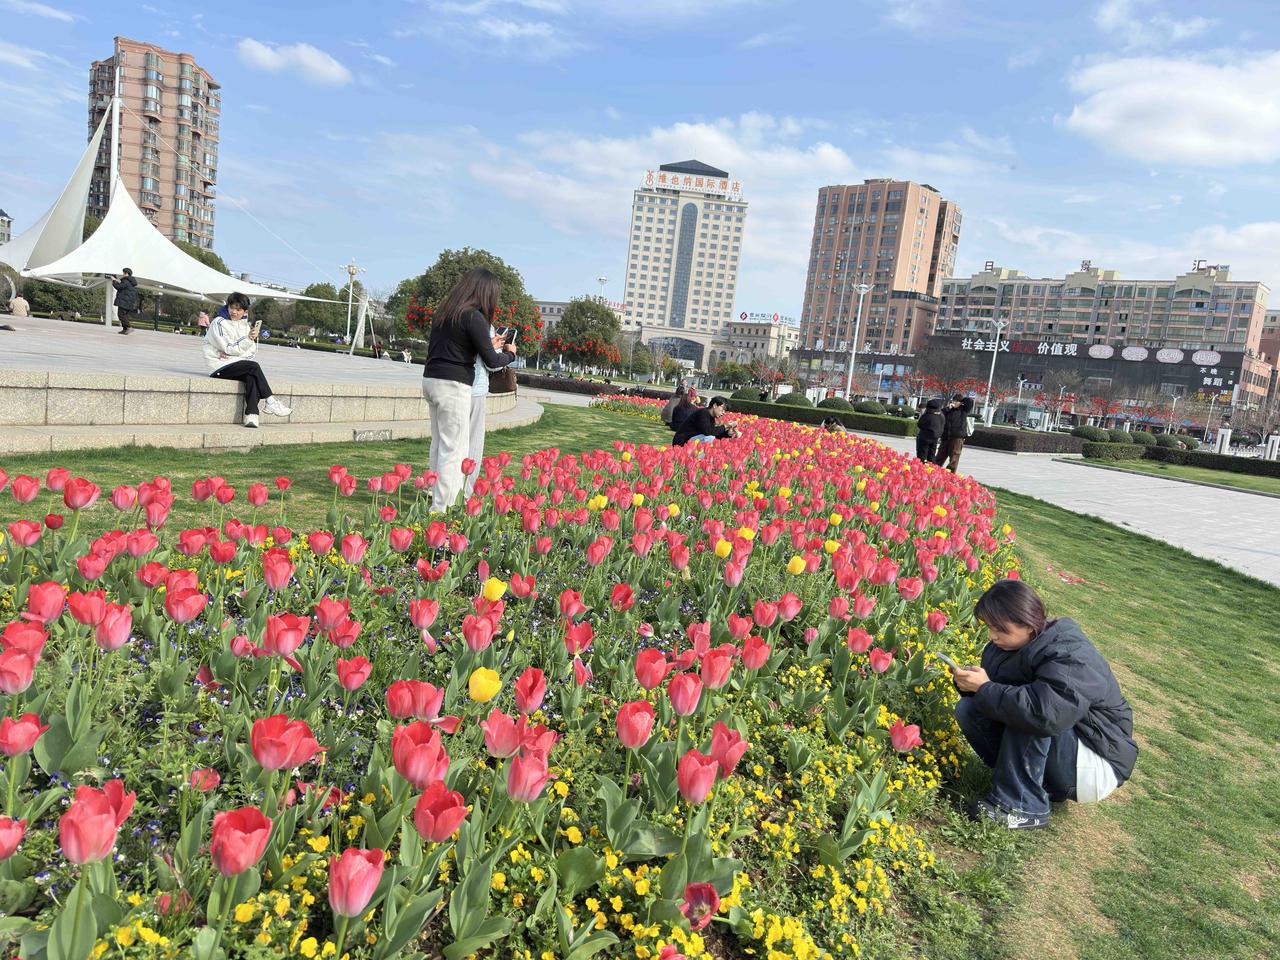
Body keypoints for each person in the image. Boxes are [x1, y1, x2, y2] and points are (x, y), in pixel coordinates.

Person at [951, 579, 1137, 830]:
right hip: (1068, 747)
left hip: (1096, 763)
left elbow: (1045, 714)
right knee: (970, 710)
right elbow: (999, 696)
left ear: (1028, 625)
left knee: (1029, 710)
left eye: (1000, 629)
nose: (992, 636)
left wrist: (986, 689)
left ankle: (1023, 806)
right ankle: (1032, 787)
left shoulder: (1071, 654)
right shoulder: (1011, 646)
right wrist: (972, 686)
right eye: (989, 627)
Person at [422, 267, 516, 511]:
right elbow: (493, 362)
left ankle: (435, 495)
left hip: (432, 380)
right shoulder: (474, 316)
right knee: (455, 450)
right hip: (454, 385)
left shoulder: (446, 313)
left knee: (440, 444)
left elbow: (460, 346)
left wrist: (488, 344)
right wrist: (510, 355)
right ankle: (443, 509)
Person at [203, 292, 292, 429]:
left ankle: (252, 415)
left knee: (251, 375)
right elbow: (228, 347)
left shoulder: (244, 325)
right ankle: (270, 401)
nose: (234, 312)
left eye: (238, 309)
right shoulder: (218, 322)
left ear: (244, 311)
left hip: (233, 363)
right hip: (218, 366)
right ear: (227, 307)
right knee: (254, 367)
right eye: (232, 308)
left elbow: (250, 352)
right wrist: (247, 340)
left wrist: (246, 343)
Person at [463, 325, 508, 499]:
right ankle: (466, 492)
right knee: (473, 443)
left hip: (453, 388)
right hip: (475, 389)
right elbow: (493, 364)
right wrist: (506, 352)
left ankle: (439, 484)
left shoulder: (452, 316)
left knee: (449, 441)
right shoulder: (483, 325)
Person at [673, 396, 738, 446]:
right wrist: (725, 426)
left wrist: (728, 434)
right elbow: (708, 432)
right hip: (682, 441)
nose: (723, 412)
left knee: (710, 438)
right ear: (715, 405)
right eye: (723, 409)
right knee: (709, 438)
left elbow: (713, 433)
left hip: (690, 440)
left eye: (725, 411)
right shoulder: (703, 413)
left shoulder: (711, 417)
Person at [935, 393, 975, 472]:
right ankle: (935, 473)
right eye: (954, 400)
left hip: (957, 438)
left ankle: (949, 475)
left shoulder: (963, 410)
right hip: (946, 437)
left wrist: (961, 401)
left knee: (954, 458)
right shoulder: (948, 410)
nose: (954, 402)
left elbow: (970, 401)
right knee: (939, 457)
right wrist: (948, 408)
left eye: (957, 401)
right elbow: (940, 414)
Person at [111, 267, 140, 335]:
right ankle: (125, 329)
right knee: (124, 315)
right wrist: (116, 280)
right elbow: (122, 286)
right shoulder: (130, 282)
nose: (123, 274)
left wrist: (113, 280)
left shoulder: (126, 281)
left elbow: (118, 287)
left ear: (126, 273)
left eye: (123, 273)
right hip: (128, 302)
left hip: (124, 302)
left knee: (121, 315)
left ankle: (129, 327)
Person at [916, 398, 945, 462]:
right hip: (935, 439)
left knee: (922, 456)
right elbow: (942, 426)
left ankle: (922, 469)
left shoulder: (928, 414)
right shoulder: (941, 415)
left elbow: (920, 424)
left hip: (924, 439)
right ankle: (931, 469)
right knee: (931, 456)